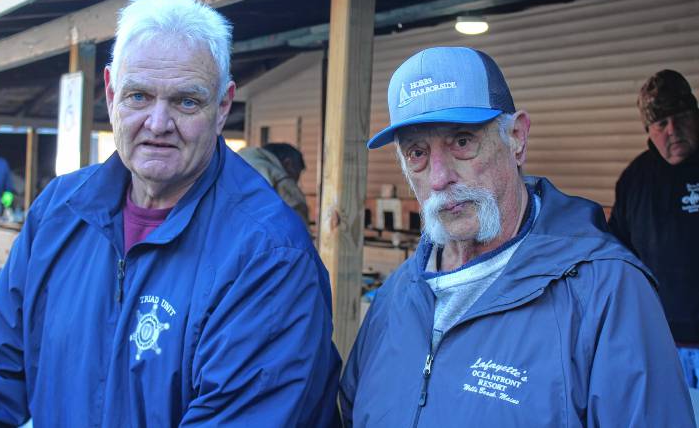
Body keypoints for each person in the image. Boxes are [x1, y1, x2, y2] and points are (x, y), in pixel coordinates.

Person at [0, 0, 340, 427]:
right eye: (139, 96)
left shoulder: (269, 256)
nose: (158, 124)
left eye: (186, 101)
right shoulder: (60, 210)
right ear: (110, 93)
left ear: (223, 106)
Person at [339, 47, 694, 426]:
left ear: (517, 137)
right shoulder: (394, 299)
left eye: (462, 141)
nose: (440, 178)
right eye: (417, 153)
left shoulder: (606, 293)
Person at [609, 69, 699, 387]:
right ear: (649, 130)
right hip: (660, 339)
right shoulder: (635, 179)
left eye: (681, 116)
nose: (672, 129)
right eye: (661, 123)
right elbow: (618, 253)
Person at [239, 143, 310, 225]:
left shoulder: (234, 161)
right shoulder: (278, 177)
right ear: (288, 164)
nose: (296, 182)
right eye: (296, 176)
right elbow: (298, 220)